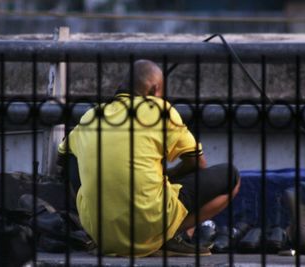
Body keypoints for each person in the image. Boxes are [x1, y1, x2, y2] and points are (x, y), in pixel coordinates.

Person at [56, 59, 240, 257]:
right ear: (155, 90)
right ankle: (171, 235)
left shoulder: (90, 117)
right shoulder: (160, 110)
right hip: (150, 224)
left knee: (74, 159)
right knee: (232, 177)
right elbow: (197, 164)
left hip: (100, 234)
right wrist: (170, 175)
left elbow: (63, 160)